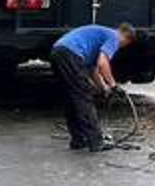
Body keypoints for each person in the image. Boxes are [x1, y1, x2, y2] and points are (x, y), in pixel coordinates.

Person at [49, 23, 135, 152]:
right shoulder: (114, 36)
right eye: (124, 45)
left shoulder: (99, 36)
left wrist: (103, 88)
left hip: (58, 52)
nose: (120, 48)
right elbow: (103, 62)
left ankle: (78, 139)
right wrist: (113, 85)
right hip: (71, 54)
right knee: (84, 98)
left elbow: (93, 69)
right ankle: (96, 141)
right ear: (127, 38)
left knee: (72, 98)